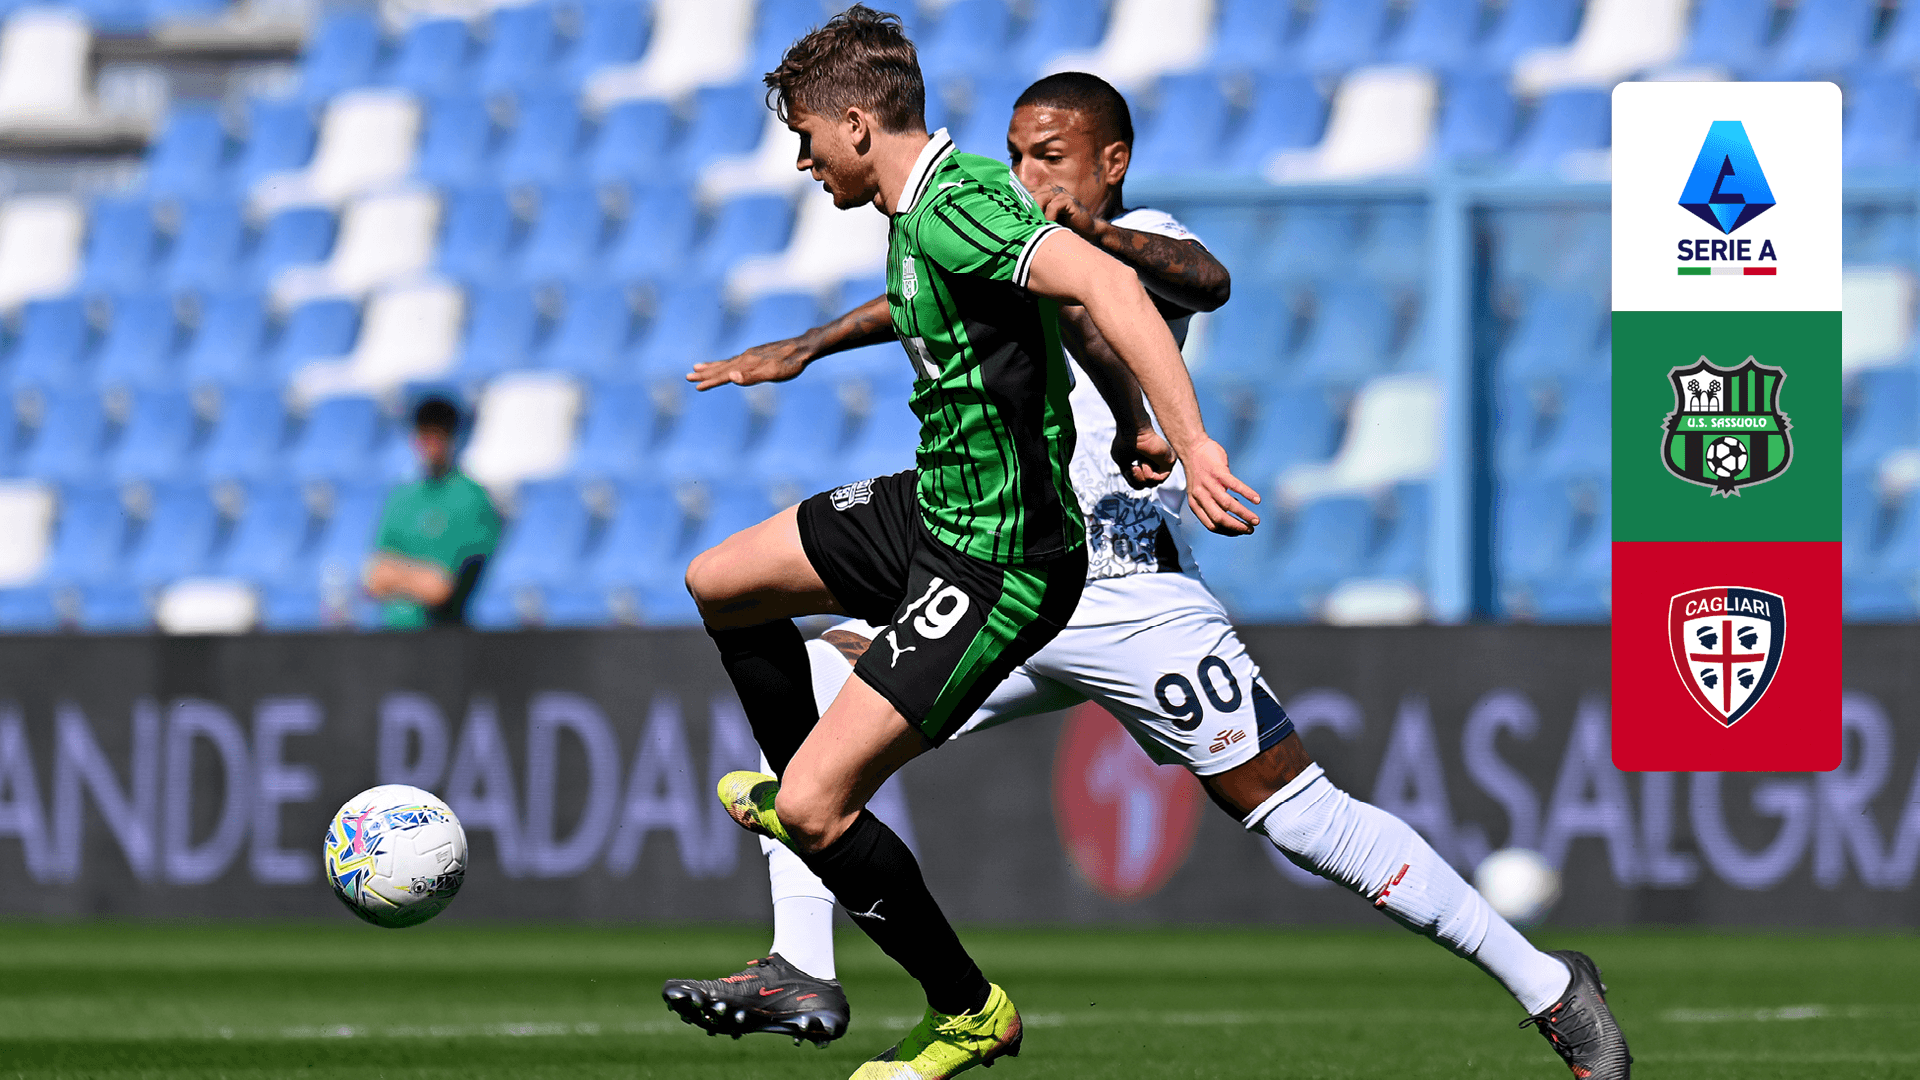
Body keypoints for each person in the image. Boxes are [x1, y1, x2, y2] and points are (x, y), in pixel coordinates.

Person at [664, 71, 1632, 1080]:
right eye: (1016, 152)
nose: (1027, 172)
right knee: (818, 704)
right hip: (1001, 564)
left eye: (1050, 155)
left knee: (1297, 811)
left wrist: (1095, 241)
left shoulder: (1139, 237)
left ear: (1110, 162)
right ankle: (802, 963)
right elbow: (926, 292)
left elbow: (1205, 279)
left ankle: (1547, 984)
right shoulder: (992, 229)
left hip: (1127, 586)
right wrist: (811, 343)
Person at [674, 9, 1262, 1079]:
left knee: (815, 807)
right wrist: (1129, 420)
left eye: (806, 137)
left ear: (858, 126)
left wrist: (1191, 442)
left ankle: (966, 1009)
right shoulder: (921, 207)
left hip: (1001, 557)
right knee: (721, 581)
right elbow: (1066, 322)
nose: (802, 160)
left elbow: (1109, 287)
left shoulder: (955, 206)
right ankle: (805, 800)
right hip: (936, 504)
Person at [362, 396, 499, 629]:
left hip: (444, 634)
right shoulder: (402, 497)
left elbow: (440, 587)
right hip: (391, 632)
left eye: (439, 434)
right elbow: (374, 577)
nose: (431, 443)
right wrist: (417, 578)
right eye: (425, 434)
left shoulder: (471, 499)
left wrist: (397, 576)